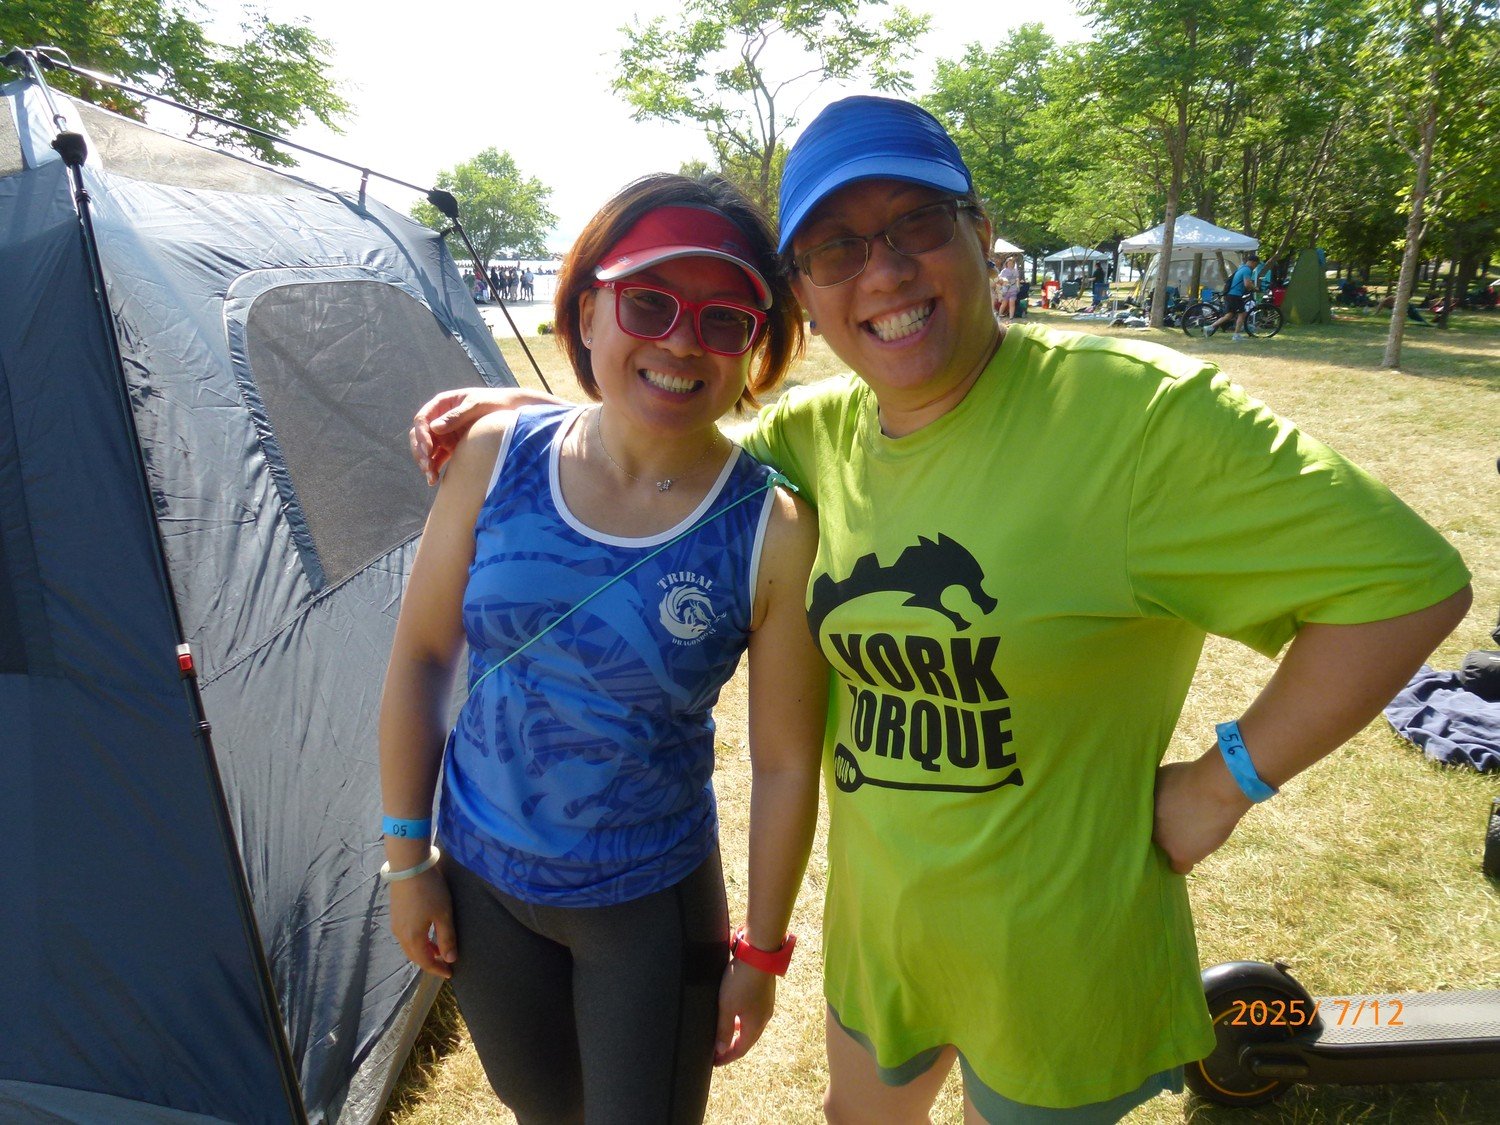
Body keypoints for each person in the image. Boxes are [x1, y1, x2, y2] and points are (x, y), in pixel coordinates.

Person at [408, 96, 1471, 1123]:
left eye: (916, 223)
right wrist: (534, 415)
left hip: (1061, 950)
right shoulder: (819, 437)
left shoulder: (1142, 420)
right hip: (884, 942)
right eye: (835, 248)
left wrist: (1223, 782)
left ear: (982, 234)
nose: (883, 270)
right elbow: (665, 434)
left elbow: (1404, 587)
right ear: (804, 291)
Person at [381, 173, 827, 1124]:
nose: (681, 341)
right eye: (650, 303)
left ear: (754, 347)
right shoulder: (494, 455)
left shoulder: (773, 527)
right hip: (482, 882)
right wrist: (407, 859)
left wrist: (762, 950)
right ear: (589, 312)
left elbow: (788, 762)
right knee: (543, 1111)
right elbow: (421, 656)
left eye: (723, 320)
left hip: (647, 907)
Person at [1206, 250, 1260, 339]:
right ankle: (1236, 335)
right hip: (1236, 295)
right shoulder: (1247, 270)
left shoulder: (1241, 268)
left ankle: (1209, 327)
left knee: (1229, 315)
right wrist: (1255, 288)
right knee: (1242, 314)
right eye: (1256, 265)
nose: (1255, 267)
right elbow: (1247, 284)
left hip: (1230, 294)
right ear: (1253, 262)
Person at [995, 255, 1019, 320]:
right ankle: (999, 315)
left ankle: (1011, 317)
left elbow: (1017, 279)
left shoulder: (1015, 271)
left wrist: (1018, 286)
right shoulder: (1004, 271)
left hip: (1013, 290)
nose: (1010, 264)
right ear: (1006, 264)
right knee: (1004, 303)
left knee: (1012, 303)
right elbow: (999, 279)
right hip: (1005, 290)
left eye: (1012, 263)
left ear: (1014, 264)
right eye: (1009, 263)